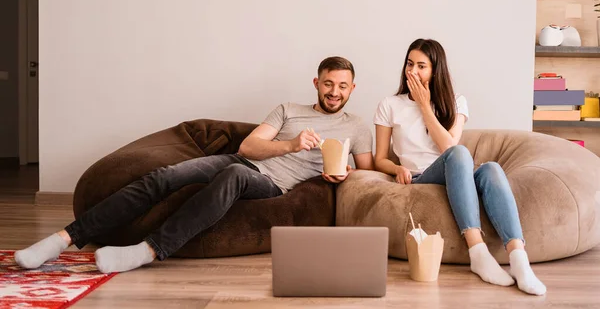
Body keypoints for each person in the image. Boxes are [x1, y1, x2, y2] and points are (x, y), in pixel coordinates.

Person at [16, 56, 374, 273]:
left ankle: (149, 250)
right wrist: (291, 144)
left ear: (352, 88)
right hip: (243, 160)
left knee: (233, 175)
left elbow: (366, 170)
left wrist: (341, 174)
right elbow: (249, 146)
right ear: (316, 82)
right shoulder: (289, 111)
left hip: (273, 185)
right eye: (328, 83)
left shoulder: (355, 127)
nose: (334, 91)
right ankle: (61, 239)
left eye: (342, 85)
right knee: (163, 176)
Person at [373, 39, 546, 296]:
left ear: (435, 71)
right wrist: (396, 168)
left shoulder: (457, 102)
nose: (413, 71)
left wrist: (424, 106)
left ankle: (519, 259)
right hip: (423, 177)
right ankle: (477, 251)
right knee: (460, 153)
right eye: (410, 64)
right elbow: (380, 159)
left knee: (491, 169)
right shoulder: (390, 104)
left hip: (457, 171)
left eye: (422, 66)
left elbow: (448, 147)